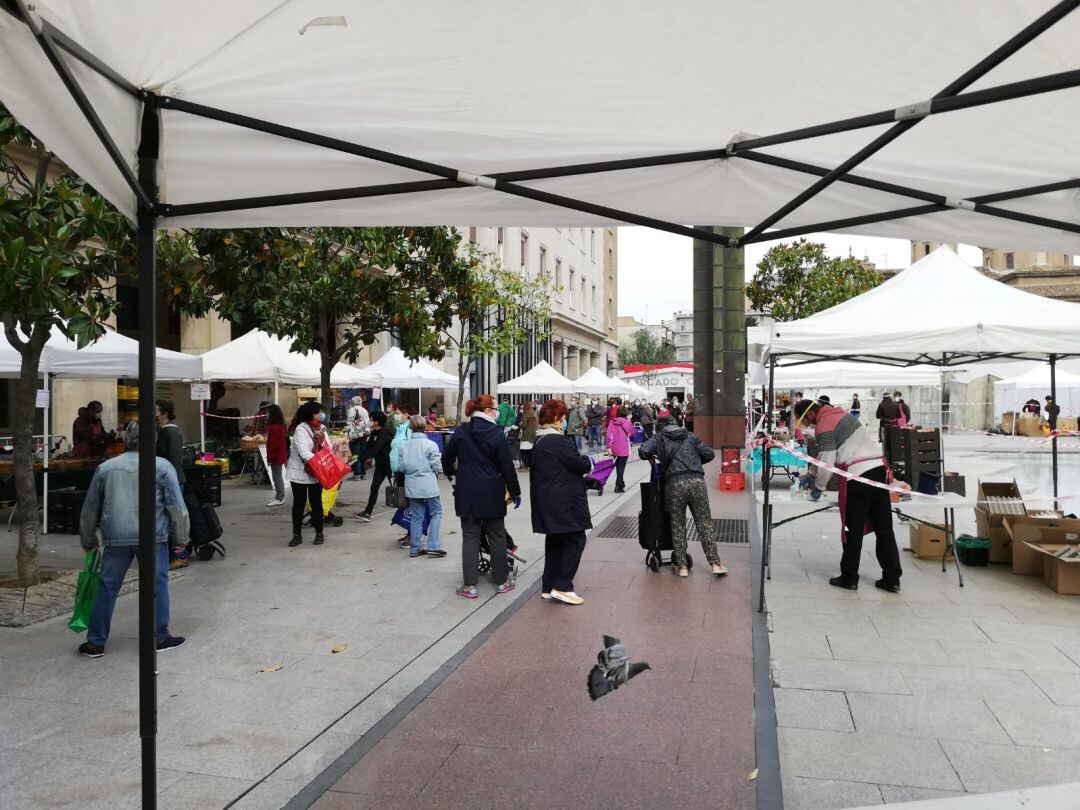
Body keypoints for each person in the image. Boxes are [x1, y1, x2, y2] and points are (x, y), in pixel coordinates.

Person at [77, 421, 188, 658]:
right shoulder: (162, 467)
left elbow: (90, 508)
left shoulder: (106, 468)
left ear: (126, 440)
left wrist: (88, 539)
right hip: (152, 535)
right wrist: (181, 537)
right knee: (157, 585)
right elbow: (177, 507)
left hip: (116, 535)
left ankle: (96, 641)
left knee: (107, 587)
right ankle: (160, 636)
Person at [794, 398, 903, 593]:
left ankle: (849, 577)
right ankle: (892, 578)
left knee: (852, 529)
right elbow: (825, 453)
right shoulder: (841, 415)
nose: (807, 425)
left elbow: (828, 459)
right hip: (878, 472)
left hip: (859, 476)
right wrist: (811, 472)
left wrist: (818, 486)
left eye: (804, 420)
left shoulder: (823, 424)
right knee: (884, 528)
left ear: (810, 414)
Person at [443, 394, 522, 598]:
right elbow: (507, 467)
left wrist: (453, 476)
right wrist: (515, 491)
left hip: (466, 490)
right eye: (495, 409)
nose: (497, 414)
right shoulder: (496, 434)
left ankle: (470, 586)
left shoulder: (462, 432)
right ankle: (501, 582)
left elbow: (446, 458)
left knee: (470, 536)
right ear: (488, 411)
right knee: (496, 535)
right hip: (492, 491)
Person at [638, 415, 728, 578]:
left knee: (678, 524)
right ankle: (716, 564)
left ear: (660, 427)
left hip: (675, 484)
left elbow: (643, 451)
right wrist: (693, 463)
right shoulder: (690, 436)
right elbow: (709, 454)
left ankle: (682, 566)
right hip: (697, 482)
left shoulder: (659, 437)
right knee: (704, 523)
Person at [530, 399, 594, 605]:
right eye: (563, 417)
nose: (564, 421)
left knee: (556, 541)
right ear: (557, 419)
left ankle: (548, 586)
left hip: (547, 499)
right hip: (563, 501)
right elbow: (578, 463)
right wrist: (589, 462)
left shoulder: (539, 440)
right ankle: (563, 586)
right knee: (576, 539)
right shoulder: (557, 441)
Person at [399, 415, 446, 558]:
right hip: (429, 484)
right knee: (436, 513)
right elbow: (438, 467)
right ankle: (433, 545)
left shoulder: (403, 446)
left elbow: (401, 468)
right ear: (425, 427)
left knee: (416, 516)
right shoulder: (431, 445)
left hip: (412, 484)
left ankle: (415, 548)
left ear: (410, 427)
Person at [286, 401, 327, 547]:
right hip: (300, 472)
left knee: (316, 503)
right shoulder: (300, 430)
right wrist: (318, 463)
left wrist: (322, 441)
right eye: (319, 412)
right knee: (299, 503)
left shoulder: (322, 428)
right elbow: (304, 452)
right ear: (311, 414)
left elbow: (328, 448)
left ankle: (319, 532)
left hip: (315, 472)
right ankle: (297, 535)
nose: (322, 414)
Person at [155, 400, 188, 570]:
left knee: (176, 519)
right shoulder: (162, 430)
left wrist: (171, 480)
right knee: (168, 519)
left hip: (173, 480)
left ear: (164, 413)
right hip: (166, 480)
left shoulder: (171, 432)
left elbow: (174, 459)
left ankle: (180, 556)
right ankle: (169, 554)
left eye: (156, 410)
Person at [357, 410, 394, 521]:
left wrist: (362, 458)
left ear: (377, 422)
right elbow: (368, 447)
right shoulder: (374, 432)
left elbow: (376, 448)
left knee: (397, 488)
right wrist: (358, 457)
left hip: (390, 464)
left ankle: (407, 510)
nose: (369, 421)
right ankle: (368, 512)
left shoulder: (385, 432)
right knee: (374, 487)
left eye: (371, 419)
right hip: (380, 464)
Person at [605, 405, 635, 494]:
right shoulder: (627, 422)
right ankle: (618, 486)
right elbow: (632, 433)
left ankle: (621, 483)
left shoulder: (612, 422)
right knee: (621, 468)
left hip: (614, 448)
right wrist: (629, 421)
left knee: (618, 467)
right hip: (624, 448)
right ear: (626, 413)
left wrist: (609, 447)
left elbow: (608, 435)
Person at [265, 404, 287, 507]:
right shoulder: (280, 425)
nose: (266, 415)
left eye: (268, 412)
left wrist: (270, 458)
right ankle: (279, 496)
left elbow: (273, 445)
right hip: (279, 456)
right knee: (277, 476)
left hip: (276, 457)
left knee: (277, 477)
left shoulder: (274, 427)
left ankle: (279, 497)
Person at [346, 395, 371, 481]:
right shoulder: (364, 410)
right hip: (364, 435)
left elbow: (349, 423)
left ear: (353, 402)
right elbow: (367, 423)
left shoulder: (352, 409)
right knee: (362, 454)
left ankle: (357, 474)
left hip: (356, 435)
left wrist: (349, 433)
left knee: (355, 455)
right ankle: (363, 473)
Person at [519, 401, 538, 469]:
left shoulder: (525, 414)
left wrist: (519, 425)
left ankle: (527, 466)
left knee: (523, 451)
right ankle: (531, 465)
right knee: (530, 451)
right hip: (533, 434)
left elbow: (524, 425)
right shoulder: (533, 414)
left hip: (526, 435)